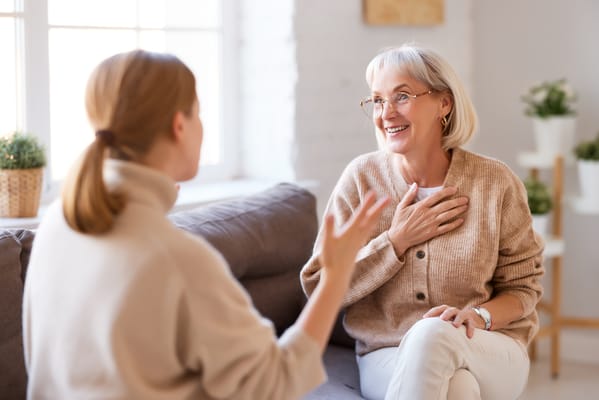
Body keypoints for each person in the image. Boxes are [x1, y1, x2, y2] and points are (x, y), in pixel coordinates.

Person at [22, 49, 389, 400]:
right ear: (178, 125)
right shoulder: (177, 260)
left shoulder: (58, 224)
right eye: (198, 113)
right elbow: (277, 382)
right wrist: (336, 276)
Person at [300, 44, 545, 400]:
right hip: (388, 354)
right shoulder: (361, 179)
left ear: (444, 103)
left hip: (487, 346)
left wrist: (476, 316)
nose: (386, 113)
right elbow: (319, 284)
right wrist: (395, 242)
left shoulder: (495, 182)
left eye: (401, 96)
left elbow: (524, 289)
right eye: (377, 100)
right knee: (459, 389)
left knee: (433, 334)